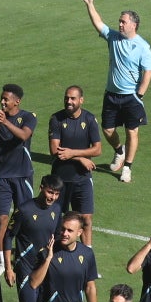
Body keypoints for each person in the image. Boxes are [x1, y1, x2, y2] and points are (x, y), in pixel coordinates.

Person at [82, 0, 151, 183]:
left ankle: (127, 168)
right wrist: (90, 4)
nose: (120, 24)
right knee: (107, 130)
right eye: (120, 21)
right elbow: (98, 23)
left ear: (133, 25)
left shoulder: (143, 47)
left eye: (123, 22)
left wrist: (140, 94)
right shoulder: (113, 38)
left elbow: (148, 71)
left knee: (132, 131)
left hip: (131, 96)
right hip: (111, 94)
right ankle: (119, 151)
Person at [4, 175, 66, 302]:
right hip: (25, 267)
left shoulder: (57, 209)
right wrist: (8, 267)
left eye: (56, 194)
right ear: (41, 188)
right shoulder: (24, 210)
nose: (52, 197)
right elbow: (8, 236)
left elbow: (56, 238)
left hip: (44, 266)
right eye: (49, 192)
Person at [27, 213, 99, 302]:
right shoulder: (47, 251)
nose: (64, 234)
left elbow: (90, 286)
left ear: (79, 233)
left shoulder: (87, 254)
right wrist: (48, 259)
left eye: (70, 231)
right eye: (63, 229)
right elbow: (34, 282)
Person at [0, 83, 39, 253]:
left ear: (17, 101)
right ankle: (0, 257)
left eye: (6, 99)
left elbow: (23, 136)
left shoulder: (28, 117)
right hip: (2, 177)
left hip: (23, 176)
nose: (2, 102)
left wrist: (5, 122)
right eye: (1, 99)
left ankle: (22, 252)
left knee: (24, 217)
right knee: (2, 219)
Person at [48, 85, 103, 243]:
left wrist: (73, 153)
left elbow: (97, 149)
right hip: (60, 180)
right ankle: (54, 254)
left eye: (72, 98)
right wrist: (79, 158)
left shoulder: (90, 119)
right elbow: (54, 149)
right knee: (57, 219)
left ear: (81, 100)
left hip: (82, 178)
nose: (68, 101)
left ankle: (87, 255)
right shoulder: (56, 119)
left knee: (86, 219)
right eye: (66, 98)